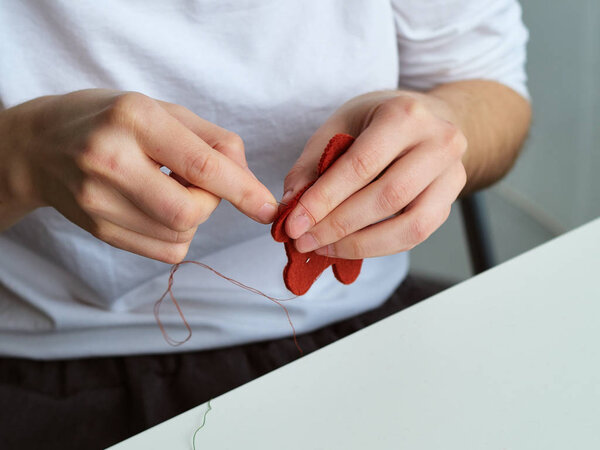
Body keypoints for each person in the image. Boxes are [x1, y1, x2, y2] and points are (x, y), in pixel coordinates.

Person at [0, 1, 531, 448]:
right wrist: (19, 159)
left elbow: (489, 87)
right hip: (42, 360)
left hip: (355, 332)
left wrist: (439, 123)